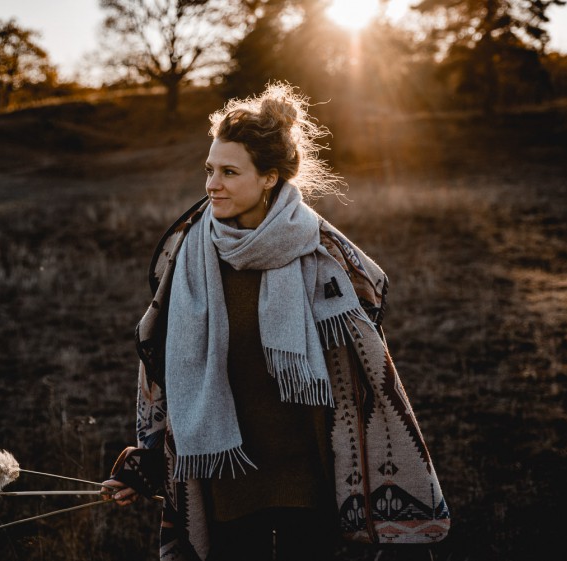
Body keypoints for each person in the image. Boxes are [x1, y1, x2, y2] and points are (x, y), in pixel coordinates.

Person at [102, 82, 449, 561]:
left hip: (308, 479)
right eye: (209, 170)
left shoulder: (322, 258)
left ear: (269, 178)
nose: (211, 185)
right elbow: (164, 366)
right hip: (223, 479)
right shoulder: (186, 257)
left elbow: (365, 371)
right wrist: (148, 459)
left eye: (228, 172)